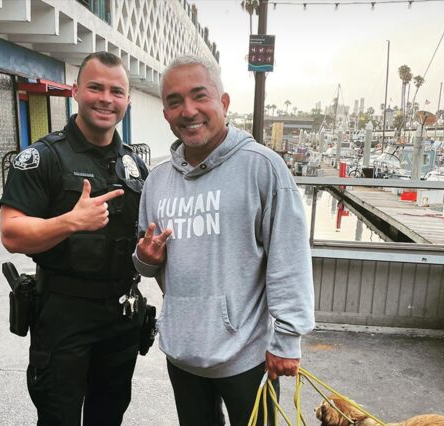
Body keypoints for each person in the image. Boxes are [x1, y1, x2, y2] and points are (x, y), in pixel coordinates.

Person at [132, 55, 315, 426]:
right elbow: (146, 261)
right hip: (183, 355)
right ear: (165, 113)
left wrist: (287, 338)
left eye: (200, 96)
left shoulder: (261, 167)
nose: (188, 110)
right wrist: (145, 259)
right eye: (174, 102)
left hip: (248, 357)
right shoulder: (157, 181)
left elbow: (289, 259)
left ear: (224, 102)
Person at [0, 51, 149, 425]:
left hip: (121, 315)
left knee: (108, 416)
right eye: (95, 87)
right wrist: (69, 222)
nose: (106, 99)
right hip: (64, 316)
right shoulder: (43, 157)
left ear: (127, 101)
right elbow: (12, 232)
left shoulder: (134, 164)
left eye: (117, 91)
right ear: (76, 91)